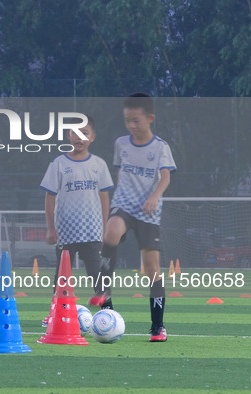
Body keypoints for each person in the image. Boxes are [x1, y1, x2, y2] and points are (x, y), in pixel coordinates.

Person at [90, 93, 176, 342]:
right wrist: (117, 200)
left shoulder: (160, 147)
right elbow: (121, 174)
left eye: (136, 121)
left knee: (152, 270)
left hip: (148, 212)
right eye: (128, 121)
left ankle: (158, 327)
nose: (131, 126)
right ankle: (103, 292)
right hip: (124, 205)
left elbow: (166, 177)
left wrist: (154, 197)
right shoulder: (121, 144)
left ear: (150, 119)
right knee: (111, 231)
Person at [40, 115, 114, 326]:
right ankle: (55, 313)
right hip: (65, 231)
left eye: (85, 133)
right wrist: (51, 228)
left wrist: (105, 227)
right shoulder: (59, 164)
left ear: (93, 137)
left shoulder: (99, 165)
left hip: (92, 230)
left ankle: (109, 312)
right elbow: (49, 196)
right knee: (62, 276)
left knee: (96, 272)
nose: (80, 137)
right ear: (68, 136)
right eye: (75, 132)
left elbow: (104, 197)